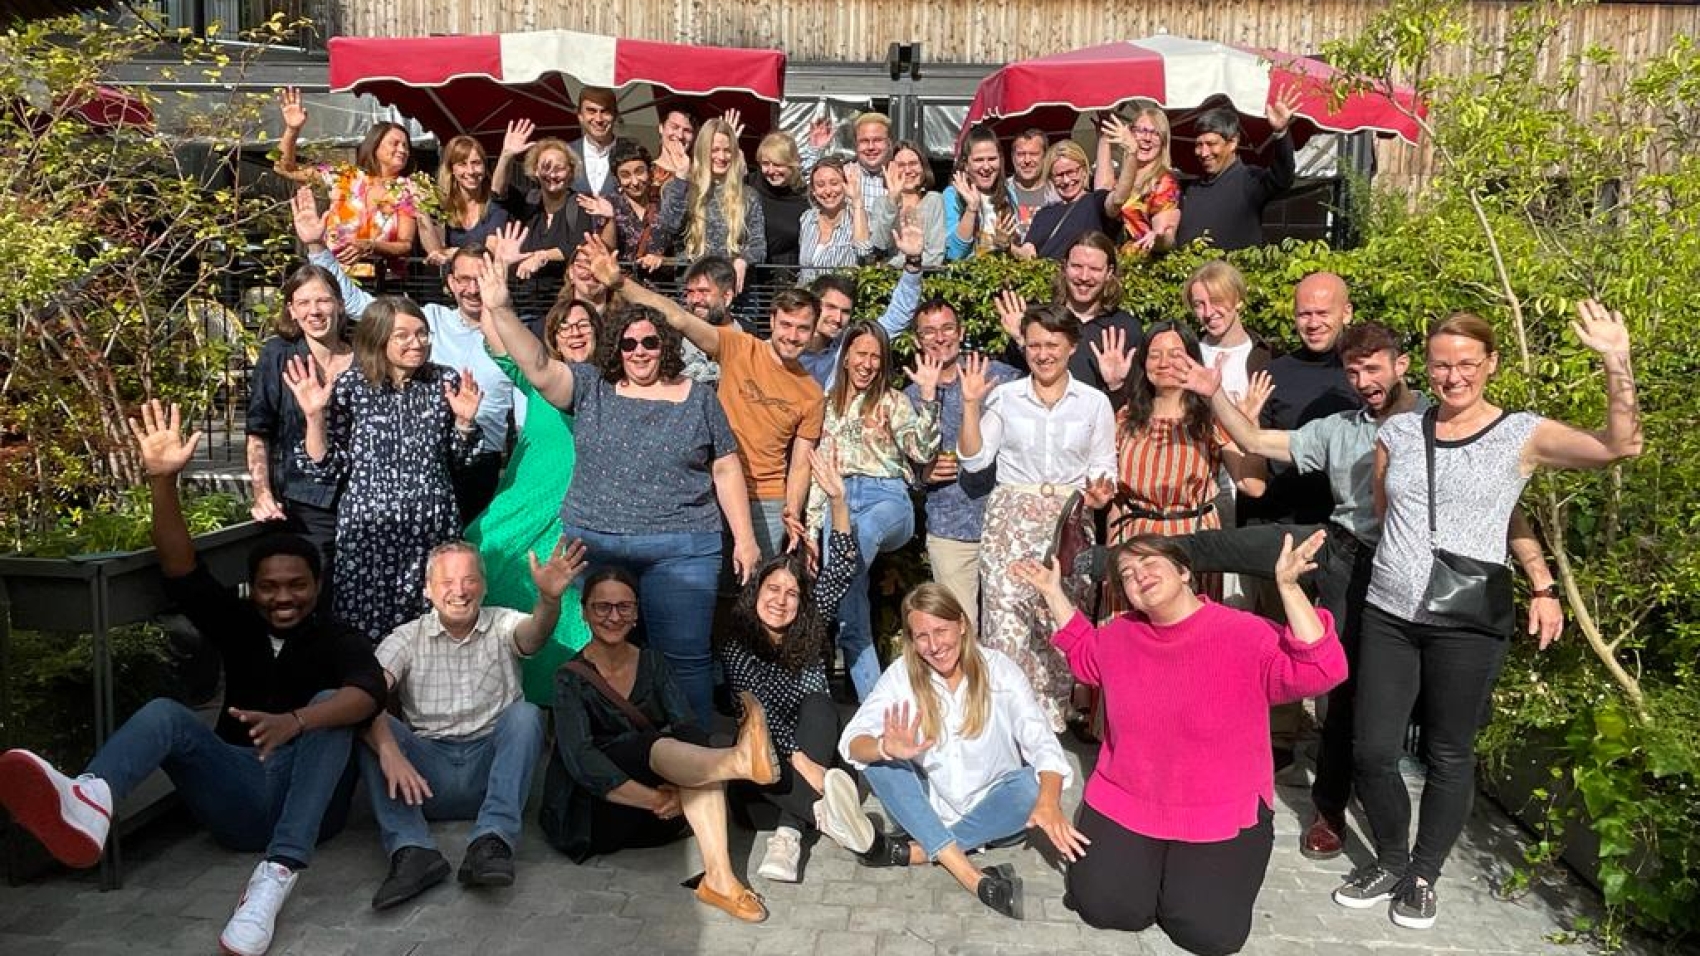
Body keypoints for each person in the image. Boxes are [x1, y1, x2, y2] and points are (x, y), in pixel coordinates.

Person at [0, 401, 385, 956]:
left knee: (335, 709)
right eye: (271, 586)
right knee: (165, 714)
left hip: (311, 805)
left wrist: (295, 722)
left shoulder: (338, 636)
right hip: (236, 794)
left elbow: (371, 690)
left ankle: (273, 880)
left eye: (296, 585)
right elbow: (181, 569)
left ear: (316, 585)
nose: (284, 597)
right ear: (253, 589)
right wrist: (162, 480)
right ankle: (91, 798)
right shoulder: (239, 625)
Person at [1174, 320, 1563, 861]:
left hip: (1438, 580)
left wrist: (1543, 582)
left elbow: (1503, 510)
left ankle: (1417, 839)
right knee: (1343, 687)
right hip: (1353, 559)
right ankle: (1330, 810)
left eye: (1373, 367)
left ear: (1403, 365)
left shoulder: (1446, 417)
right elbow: (1255, 441)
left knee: (1437, 724)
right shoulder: (1339, 428)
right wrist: (1215, 394)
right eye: (1353, 370)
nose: (1362, 379)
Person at [1334, 303, 1641, 930]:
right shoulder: (1395, 433)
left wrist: (1617, 360)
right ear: (1425, 367)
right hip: (1389, 611)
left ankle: (1423, 874)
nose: (1453, 378)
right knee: (1372, 751)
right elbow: (1394, 510)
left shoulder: (1520, 434)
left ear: (1491, 364)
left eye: (1467, 365)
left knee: (1449, 753)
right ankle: (1391, 857)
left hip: (1468, 621)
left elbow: (1619, 445)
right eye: (1441, 366)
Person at [1012, 532, 1345, 955]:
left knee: (1207, 934)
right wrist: (1051, 591)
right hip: (1128, 799)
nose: (1139, 576)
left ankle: (1181, 876)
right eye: (1127, 575)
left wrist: (1289, 588)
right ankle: (1152, 869)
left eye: (1150, 563)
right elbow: (1083, 652)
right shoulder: (1119, 636)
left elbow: (1322, 670)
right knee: (1105, 907)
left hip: (1220, 808)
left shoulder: (1244, 632)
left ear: (1185, 571)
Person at [482, 260, 759, 723]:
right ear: (617, 347)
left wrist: (746, 540)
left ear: (664, 345)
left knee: (685, 659)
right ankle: (605, 758)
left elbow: (726, 467)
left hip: (683, 548)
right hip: (598, 544)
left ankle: (696, 768)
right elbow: (538, 365)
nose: (640, 351)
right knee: (597, 656)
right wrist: (503, 309)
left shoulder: (699, 397)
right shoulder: (591, 386)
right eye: (629, 343)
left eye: (650, 341)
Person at [817, 584, 1076, 920]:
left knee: (1029, 787)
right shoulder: (902, 675)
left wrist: (1049, 801)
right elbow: (852, 739)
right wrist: (883, 745)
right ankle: (971, 877)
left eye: (941, 630)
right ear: (912, 640)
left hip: (995, 811)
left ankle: (912, 851)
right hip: (930, 803)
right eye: (922, 636)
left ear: (962, 625)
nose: (934, 646)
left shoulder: (1000, 670)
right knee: (879, 762)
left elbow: (1041, 742)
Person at [539, 567, 777, 922]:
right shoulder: (569, 678)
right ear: (585, 612)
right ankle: (737, 762)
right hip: (596, 817)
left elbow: (685, 724)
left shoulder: (652, 661)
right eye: (602, 607)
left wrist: (684, 785)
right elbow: (582, 761)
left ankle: (721, 880)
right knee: (656, 746)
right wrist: (659, 799)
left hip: (658, 820)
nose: (613, 616)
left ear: (636, 613)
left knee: (696, 755)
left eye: (623, 607)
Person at [360, 538, 585, 910]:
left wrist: (548, 600)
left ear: (483, 584)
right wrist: (388, 750)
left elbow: (533, 635)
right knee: (368, 720)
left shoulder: (501, 622)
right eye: (447, 583)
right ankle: (412, 850)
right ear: (428, 590)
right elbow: (366, 695)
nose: (459, 591)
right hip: (423, 778)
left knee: (526, 715)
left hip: (490, 772)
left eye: (469, 580)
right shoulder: (405, 637)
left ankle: (492, 841)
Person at [583, 238, 824, 562]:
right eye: (786, 325)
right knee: (706, 583)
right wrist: (619, 282)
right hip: (708, 486)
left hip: (766, 499)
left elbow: (799, 464)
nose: (792, 336)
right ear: (772, 321)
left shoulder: (811, 392)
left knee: (753, 588)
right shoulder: (739, 347)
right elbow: (678, 318)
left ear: (812, 332)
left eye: (802, 329)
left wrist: (792, 510)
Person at [295, 189, 516, 527]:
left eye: (480, 278)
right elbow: (358, 304)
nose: (473, 289)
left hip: (480, 461)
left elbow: (527, 409)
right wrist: (315, 248)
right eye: (464, 280)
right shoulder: (426, 320)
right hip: (408, 478)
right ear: (451, 284)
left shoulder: (514, 335)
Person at [286, 292, 484, 644]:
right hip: (369, 536)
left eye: (422, 333)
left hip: (431, 530)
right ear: (378, 339)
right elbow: (325, 468)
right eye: (404, 335)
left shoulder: (444, 382)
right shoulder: (350, 386)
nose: (417, 343)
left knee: (433, 634)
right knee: (366, 638)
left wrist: (465, 424)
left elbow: (462, 462)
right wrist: (315, 416)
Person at [957, 306, 1118, 731]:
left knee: (1058, 622)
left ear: (1071, 347)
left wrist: (1100, 496)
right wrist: (971, 406)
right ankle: (1008, 726)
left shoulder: (1095, 403)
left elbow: (1104, 470)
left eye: (1052, 345)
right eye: (1034, 345)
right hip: (1009, 520)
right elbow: (974, 460)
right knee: (1006, 622)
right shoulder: (1005, 397)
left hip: (1067, 523)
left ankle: (1049, 730)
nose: (1043, 354)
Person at [719, 445, 860, 882]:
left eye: (791, 594)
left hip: (808, 750)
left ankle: (789, 836)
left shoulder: (811, 625)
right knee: (759, 781)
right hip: (764, 759)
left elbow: (842, 570)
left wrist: (838, 501)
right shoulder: (737, 645)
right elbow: (755, 716)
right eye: (772, 591)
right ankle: (825, 816)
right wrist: (807, 766)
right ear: (756, 594)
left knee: (820, 705)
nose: (780, 601)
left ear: (802, 602)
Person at [465, 296, 600, 705]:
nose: (575, 333)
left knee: (568, 606)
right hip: (521, 508)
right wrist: (494, 287)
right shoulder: (540, 378)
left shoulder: (611, 383)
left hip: (574, 516)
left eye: (583, 325)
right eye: (565, 327)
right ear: (552, 338)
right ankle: (486, 693)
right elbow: (499, 339)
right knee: (485, 560)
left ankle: (558, 704)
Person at [807, 323, 943, 699]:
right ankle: (877, 714)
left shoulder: (894, 401)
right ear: (846, 356)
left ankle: (812, 623)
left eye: (875, 357)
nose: (867, 364)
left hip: (888, 499)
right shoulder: (828, 401)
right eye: (861, 354)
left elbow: (922, 453)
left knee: (859, 535)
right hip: (840, 499)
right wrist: (811, 528)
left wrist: (929, 398)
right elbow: (821, 470)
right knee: (853, 621)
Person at [1107, 320, 1268, 608]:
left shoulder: (1210, 418)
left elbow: (1252, 486)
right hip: (1134, 543)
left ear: (1192, 359)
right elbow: (1117, 498)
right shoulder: (1125, 419)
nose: (1164, 363)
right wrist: (1111, 553)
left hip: (1193, 544)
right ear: (1143, 362)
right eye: (1155, 355)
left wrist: (1250, 428)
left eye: (1175, 354)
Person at [907, 298, 1020, 630]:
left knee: (1009, 626)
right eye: (929, 332)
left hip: (1004, 522)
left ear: (962, 332)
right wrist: (920, 474)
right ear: (917, 340)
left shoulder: (996, 375)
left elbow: (1045, 388)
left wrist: (1022, 339)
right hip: (950, 529)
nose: (940, 338)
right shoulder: (910, 396)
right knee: (960, 628)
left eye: (947, 328)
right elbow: (897, 465)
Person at [246, 263, 353, 581]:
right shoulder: (278, 355)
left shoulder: (364, 356)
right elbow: (257, 431)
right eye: (303, 303)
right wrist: (262, 493)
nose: (315, 311)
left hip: (361, 497)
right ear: (291, 311)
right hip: (303, 499)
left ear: (339, 304)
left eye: (322, 300)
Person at [274, 87, 418, 275]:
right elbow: (284, 168)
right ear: (375, 145)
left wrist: (370, 246)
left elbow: (405, 245)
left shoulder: (406, 190)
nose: (402, 150)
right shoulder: (344, 177)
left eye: (406, 146)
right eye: (395, 143)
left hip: (382, 281)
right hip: (333, 276)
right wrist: (292, 129)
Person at [994, 231, 1143, 397]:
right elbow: (1012, 387)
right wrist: (1022, 340)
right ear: (1064, 267)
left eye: (1094, 269)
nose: (1084, 277)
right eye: (1077, 267)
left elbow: (1138, 402)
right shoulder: (1039, 320)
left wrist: (1116, 386)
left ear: (1109, 272)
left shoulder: (1126, 328)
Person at [800, 219, 925, 389]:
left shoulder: (849, 343)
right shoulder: (785, 344)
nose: (837, 318)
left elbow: (898, 316)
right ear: (813, 306)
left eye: (845, 311)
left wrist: (913, 262)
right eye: (830, 307)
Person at [1174, 90, 1299, 251]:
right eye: (1199, 145)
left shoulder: (1249, 180)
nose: (1204, 153)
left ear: (1232, 142)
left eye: (1211, 144)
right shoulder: (1191, 189)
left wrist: (1281, 133)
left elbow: (1282, 177)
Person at [491, 122, 599, 301]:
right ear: (535, 171)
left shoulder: (580, 204)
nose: (552, 175)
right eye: (546, 167)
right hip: (522, 302)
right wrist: (506, 155)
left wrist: (542, 256)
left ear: (571, 172)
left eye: (559, 168)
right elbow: (497, 192)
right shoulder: (526, 202)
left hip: (563, 302)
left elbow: (576, 246)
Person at [658, 116, 766, 291]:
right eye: (714, 150)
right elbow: (669, 227)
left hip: (736, 293)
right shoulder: (680, 188)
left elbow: (758, 244)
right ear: (702, 151)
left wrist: (744, 259)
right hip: (693, 292)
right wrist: (681, 177)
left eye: (727, 150)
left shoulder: (749, 195)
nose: (721, 157)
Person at [1011, 139, 1133, 261]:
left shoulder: (1095, 203)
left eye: (1071, 172)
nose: (1066, 180)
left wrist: (1132, 154)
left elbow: (1117, 200)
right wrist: (1007, 246)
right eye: (1059, 175)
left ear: (1084, 171)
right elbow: (1027, 254)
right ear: (1050, 178)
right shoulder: (1043, 214)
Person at [1094, 106, 1180, 255]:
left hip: (1140, 267)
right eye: (1140, 131)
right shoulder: (1121, 178)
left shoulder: (1163, 183)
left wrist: (1159, 236)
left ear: (1163, 142)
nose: (1147, 138)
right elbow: (1101, 192)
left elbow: (1165, 237)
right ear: (1130, 134)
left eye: (1155, 133)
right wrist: (1104, 138)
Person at [420, 135, 509, 266]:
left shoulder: (494, 203)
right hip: (456, 282)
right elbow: (435, 253)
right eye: (462, 164)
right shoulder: (442, 204)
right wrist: (420, 210)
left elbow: (490, 252)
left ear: (485, 167)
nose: (471, 171)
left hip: (487, 281)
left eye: (476, 163)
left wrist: (455, 253)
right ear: (452, 170)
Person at [583, 141, 666, 275]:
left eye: (639, 172)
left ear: (650, 172)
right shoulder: (609, 204)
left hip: (661, 288)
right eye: (625, 175)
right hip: (621, 286)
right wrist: (610, 219)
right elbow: (606, 252)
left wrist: (662, 259)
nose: (634, 182)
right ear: (617, 179)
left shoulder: (664, 202)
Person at [944, 124, 1018, 261]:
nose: (986, 167)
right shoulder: (952, 195)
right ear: (966, 164)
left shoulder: (1009, 194)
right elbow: (953, 254)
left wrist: (1007, 245)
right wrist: (971, 208)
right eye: (979, 160)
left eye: (992, 159)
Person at [868, 140, 946, 266]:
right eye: (901, 165)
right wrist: (892, 201)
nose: (908, 170)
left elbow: (935, 255)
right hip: (887, 281)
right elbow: (879, 246)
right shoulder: (881, 203)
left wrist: (895, 264)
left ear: (923, 167)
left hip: (924, 278)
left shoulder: (934, 201)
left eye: (913, 163)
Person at [797, 157, 873, 282]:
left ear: (845, 185)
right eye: (820, 185)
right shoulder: (807, 218)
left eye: (834, 183)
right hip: (808, 297)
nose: (828, 191)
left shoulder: (859, 216)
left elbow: (863, 251)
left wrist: (857, 200)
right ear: (814, 191)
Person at [673, 255, 740, 385]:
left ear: (727, 296)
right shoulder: (675, 336)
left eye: (704, 291)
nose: (695, 300)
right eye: (690, 292)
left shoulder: (748, 335)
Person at [750, 130, 810, 268]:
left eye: (778, 164)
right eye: (765, 164)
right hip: (750, 275)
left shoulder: (804, 197)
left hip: (785, 276)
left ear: (792, 164)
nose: (771, 171)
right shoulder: (748, 187)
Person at [569, 87, 632, 198]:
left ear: (615, 115)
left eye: (605, 111)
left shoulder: (632, 154)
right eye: (591, 111)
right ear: (580, 116)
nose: (598, 119)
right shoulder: (566, 153)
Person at [1007, 128, 1054, 241]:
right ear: (1013, 157)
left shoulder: (1058, 191)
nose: (1027, 160)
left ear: (1045, 157)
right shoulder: (1001, 191)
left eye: (1034, 154)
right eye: (1021, 154)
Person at [651, 106, 697, 191]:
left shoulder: (699, 176)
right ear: (661, 128)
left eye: (687, 130)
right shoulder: (647, 173)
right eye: (674, 127)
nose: (680, 135)